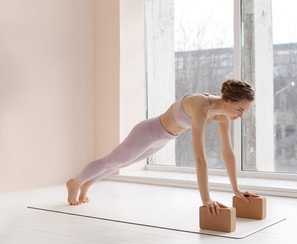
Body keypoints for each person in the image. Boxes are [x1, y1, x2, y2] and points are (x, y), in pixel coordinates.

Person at [66, 79, 257, 215]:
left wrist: (236, 190)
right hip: (147, 132)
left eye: (244, 111)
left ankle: (88, 183)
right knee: (112, 161)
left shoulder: (224, 117)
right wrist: (206, 199)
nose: (241, 115)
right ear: (227, 100)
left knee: (121, 163)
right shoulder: (201, 105)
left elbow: (228, 153)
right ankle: (75, 182)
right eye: (239, 109)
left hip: (164, 138)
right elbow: (200, 159)